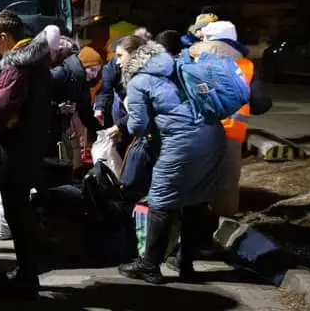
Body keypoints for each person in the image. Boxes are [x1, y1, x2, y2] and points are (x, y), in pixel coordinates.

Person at [116, 37, 225, 284]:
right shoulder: (180, 68)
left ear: (135, 57)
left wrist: (130, 108)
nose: (118, 62)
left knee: (161, 202)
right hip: (213, 138)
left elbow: (138, 127)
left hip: (182, 143)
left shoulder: (139, 81)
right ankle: (186, 264)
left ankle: (149, 265)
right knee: (196, 200)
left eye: (120, 56)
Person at [0, 12, 60, 299]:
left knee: (16, 209)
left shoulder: (15, 65)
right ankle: (28, 271)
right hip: (32, 143)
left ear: (4, 36)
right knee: (20, 207)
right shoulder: (37, 61)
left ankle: (27, 275)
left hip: (15, 147)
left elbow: (0, 111)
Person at [188, 21, 272, 217]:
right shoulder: (246, 66)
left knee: (193, 180)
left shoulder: (192, 59)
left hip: (196, 131)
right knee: (226, 186)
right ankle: (221, 228)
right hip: (231, 134)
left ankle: (192, 228)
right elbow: (260, 104)